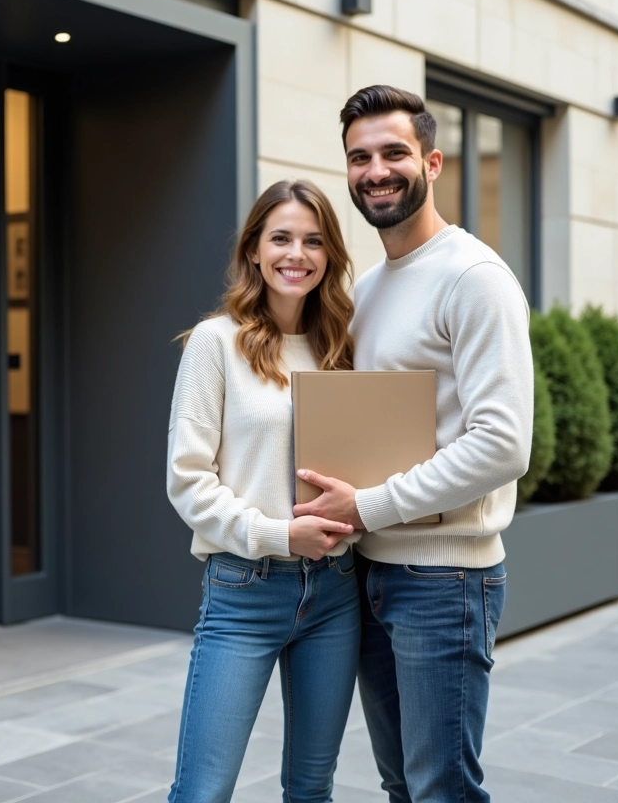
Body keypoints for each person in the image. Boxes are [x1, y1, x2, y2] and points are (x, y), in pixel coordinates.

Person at [294, 85, 533, 802]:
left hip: (444, 580)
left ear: (432, 162)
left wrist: (366, 506)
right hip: (367, 574)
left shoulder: (475, 278)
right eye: (359, 157)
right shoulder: (365, 289)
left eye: (394, 152)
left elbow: (502, 445)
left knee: (441, 788)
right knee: (402, 782)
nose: (376, 170)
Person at [166, 179, 361, 803]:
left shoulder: (343, 347)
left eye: (313, 241)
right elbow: (188, 482)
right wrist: (279, 534)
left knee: (312, 790)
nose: (295, 254)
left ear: (329, 254)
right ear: (253, 248)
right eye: (280, 238)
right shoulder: (214, 344)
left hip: (336, 591)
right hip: (244, 591)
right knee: (203, 792)